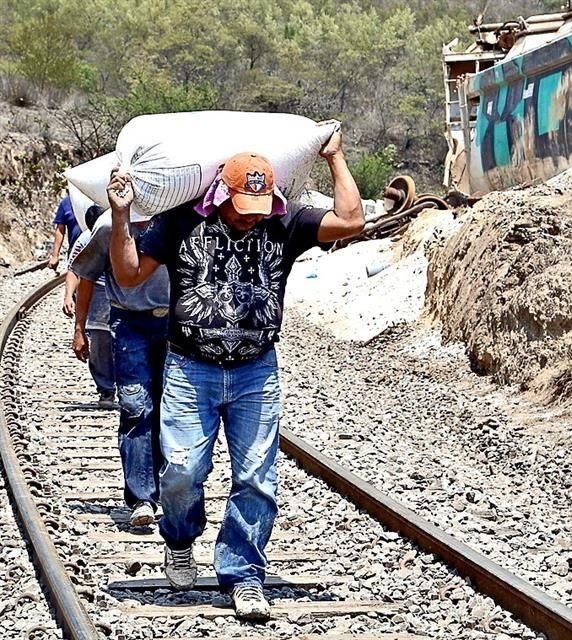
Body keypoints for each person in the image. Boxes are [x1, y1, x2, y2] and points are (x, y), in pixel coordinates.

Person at [108, 131, 363, 621]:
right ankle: (180, 538)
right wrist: (121, 216)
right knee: (181, 471)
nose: (251, 217)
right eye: (243, 207)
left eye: (259, 208)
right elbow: (129, 273)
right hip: (190, 368)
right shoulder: (180, 220)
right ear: (220, 194)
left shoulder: (285, 221)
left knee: (256, 479)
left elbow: (351, 220)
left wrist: (335, 157)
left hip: (255, 372)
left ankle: (243, 574)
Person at [69, 203, 170, 527]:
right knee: (136, 407)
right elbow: (86, 276)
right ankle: (142, 497)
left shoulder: (181, 218)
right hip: (129, 324)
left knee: (172, 408)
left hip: (177, 325)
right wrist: (80, 328)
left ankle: (171, 488)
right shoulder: (108, 227)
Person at [64, 205, 117, 409]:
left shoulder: (122, 231)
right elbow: (75, 270)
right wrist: (68, 296)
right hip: (97, 299)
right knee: (100, 346)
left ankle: (126, 388)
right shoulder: (86, 239)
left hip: (120, 296)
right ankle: (106, 390)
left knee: (118, 345)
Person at [48, 195, 82, 271]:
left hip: (96, 249)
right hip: (75, 251)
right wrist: (55, 255)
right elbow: (60, 230)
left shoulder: (94, 199)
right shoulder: (66, 203)